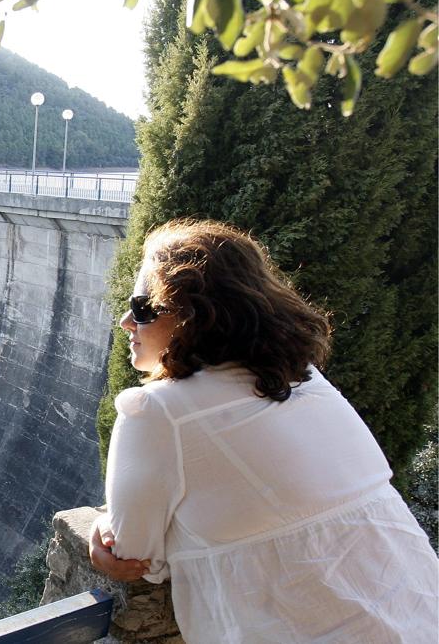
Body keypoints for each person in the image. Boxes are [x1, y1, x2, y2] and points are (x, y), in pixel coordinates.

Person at [88, 218, 438, 643]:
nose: (126, 321)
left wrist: (101, 529)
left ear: (198, 315)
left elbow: (133, 555)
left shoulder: (156, 410)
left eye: (143, 308)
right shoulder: (303, 378)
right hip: (419, 614)